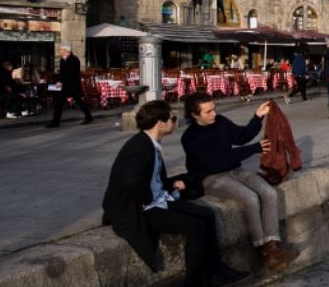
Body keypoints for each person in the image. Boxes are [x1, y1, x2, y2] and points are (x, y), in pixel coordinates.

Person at [101, 100, 249, 287]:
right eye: (172, 118)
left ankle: (216, 270)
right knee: (195, 226)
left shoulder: (149, 143)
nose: (174, 121)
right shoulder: (138, 147)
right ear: (160, 123)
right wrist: (146, 199)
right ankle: (195, 281)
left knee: (207, 213)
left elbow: (149, 177)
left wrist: (170, 184)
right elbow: (131, 180)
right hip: (142, 209)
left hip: (158, 199)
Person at [182, 94, 299, 272]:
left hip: (235, 170)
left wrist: (257, 117)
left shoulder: (220, 121)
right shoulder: (190, 137)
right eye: (208, 111)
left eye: (214, 108)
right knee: (250, 198)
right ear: (194, 115)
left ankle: (273, 246)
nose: (214, 113)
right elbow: (216, 162)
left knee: (269, 193)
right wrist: (254, 149)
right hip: (211, 177)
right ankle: (263, 250)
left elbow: (241, 136)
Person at [47, 44, 93, 128]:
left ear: (66, 50)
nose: (59, 51)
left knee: (79, 101)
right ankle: (55, 122)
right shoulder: (62, 60)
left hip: (73, 85)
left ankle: (89, 116)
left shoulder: (74, 59)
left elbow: (72, 74)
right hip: (64, 86)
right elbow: (62, 73)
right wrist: (59, 81)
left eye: (61, 49)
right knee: (59, 103)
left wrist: (62, 81)